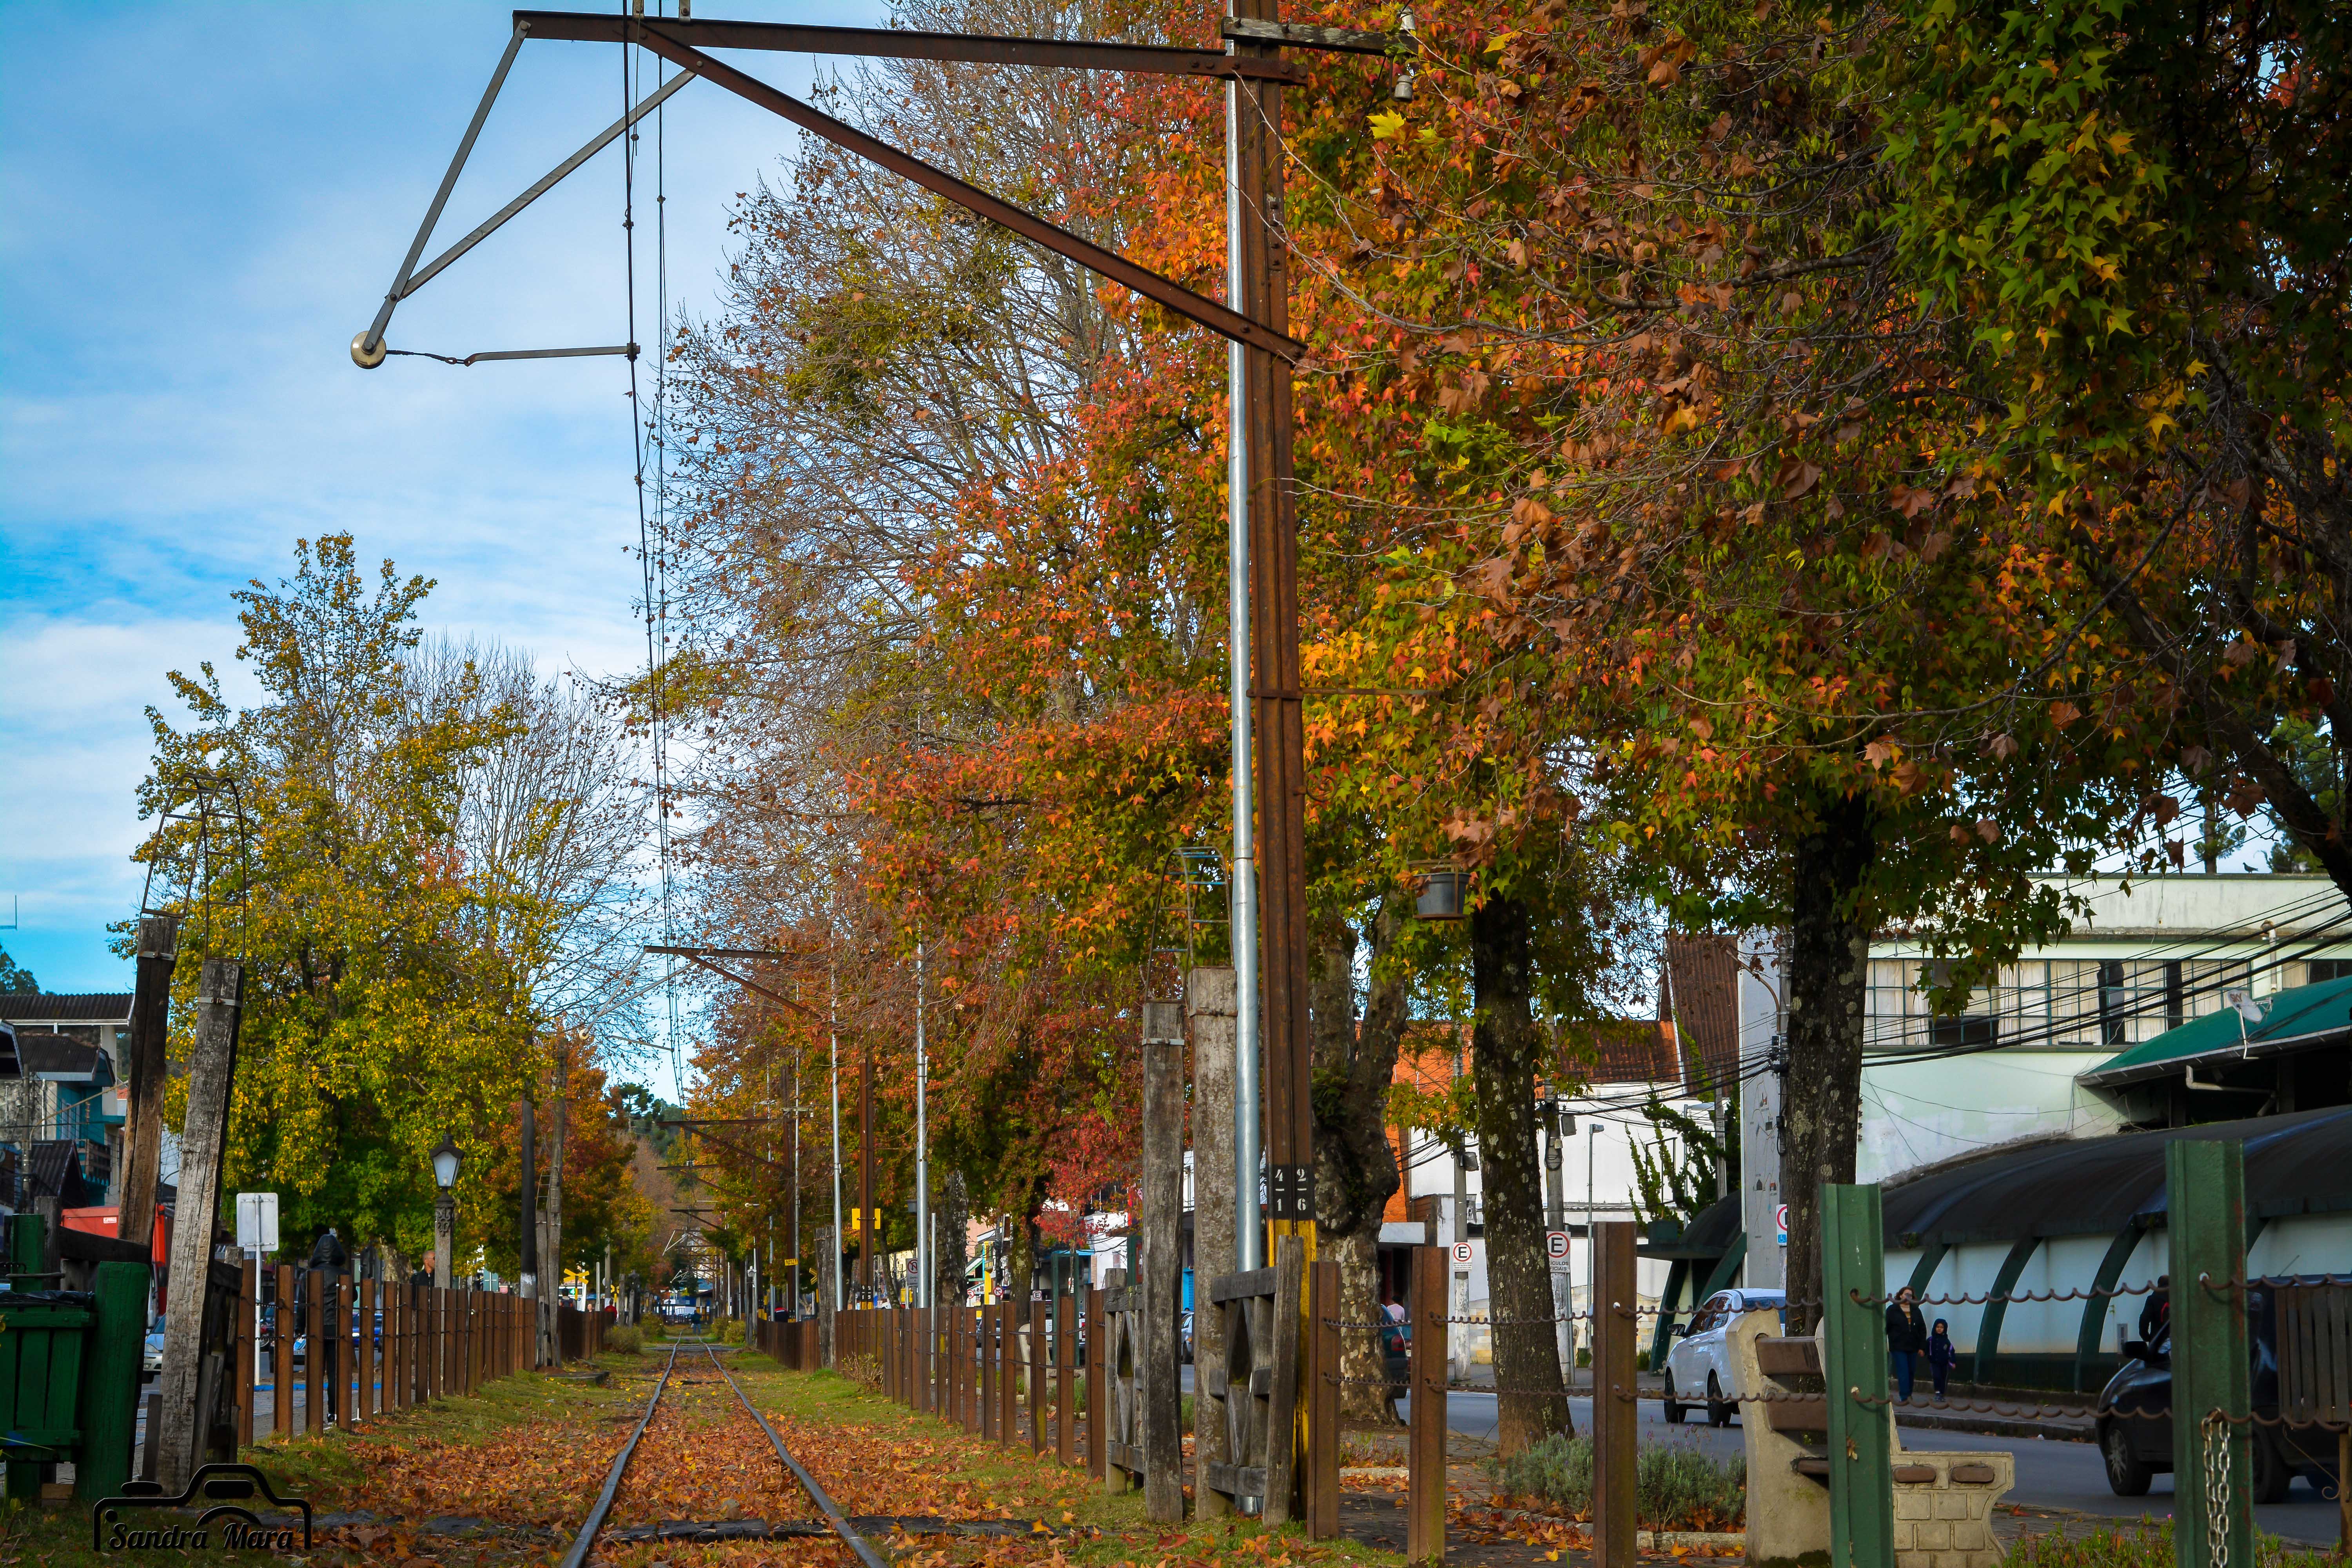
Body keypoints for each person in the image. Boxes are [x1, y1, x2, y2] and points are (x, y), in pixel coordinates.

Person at [309, 1227, 347, 1424]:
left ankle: (313, 1414)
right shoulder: (344, 1274)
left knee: (315, 1371)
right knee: (335, 1373)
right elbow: (354, 1297)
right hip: (338, 1328)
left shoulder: (310, 1274)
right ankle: (334, 1412)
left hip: (316, 1328)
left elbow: (302, 1304)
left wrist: (300, 1328)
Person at [1884, 1285, 1927, 1402]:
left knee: (1911, 1371)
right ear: (1900, 1295)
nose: (1908, 1297)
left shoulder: (1916, 1311)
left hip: (1913, 1347)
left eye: (1910, 1295)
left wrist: (1922, 1347)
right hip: (1898, 1347)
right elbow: (1886, 1328)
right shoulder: (1892, 1310)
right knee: (1903, 1371)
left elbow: (1922, 1330)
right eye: (1906, 1294)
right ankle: (1905, 1397)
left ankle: (1909, 1394)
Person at [1925, 1317, 1958, 1401]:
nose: (1940, 1329)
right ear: (1935, 1328)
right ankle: (1937, 1393)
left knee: (1944, 1378)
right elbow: (1926, 1348)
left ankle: (1942, 1394)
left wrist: (1953, 1362)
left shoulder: (1946, 1341)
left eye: (1942, 1327)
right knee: (1937, 1377)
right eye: (1938, 1327)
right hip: (1934, 1363)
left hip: (1944, 1364)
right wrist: (1924, 1353)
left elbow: (1951, 1351)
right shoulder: (1931, 1340)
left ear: (1945, 1329)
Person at [2138, 1275, 2171, 1352]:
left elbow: (2144, 1319)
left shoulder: (2153, 1299)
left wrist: (2146, 1337)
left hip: (2158, 1341)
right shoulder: (2178, 1297)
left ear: (2158, 1285)